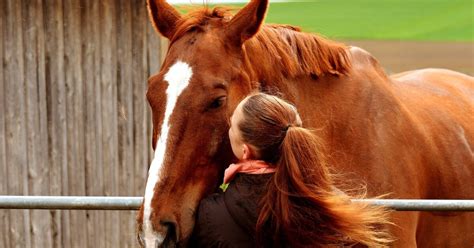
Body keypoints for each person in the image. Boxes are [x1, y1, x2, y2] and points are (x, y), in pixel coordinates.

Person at [191, 93, 392, 247]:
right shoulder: (334, 208)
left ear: (246, 151)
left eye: (231, 125)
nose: (229, 129)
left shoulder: (212, 214)